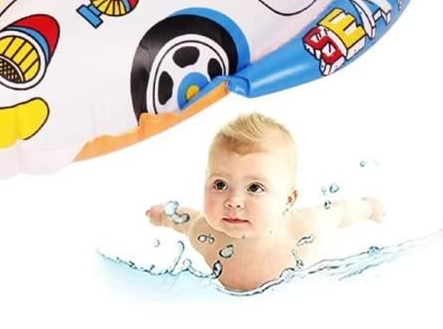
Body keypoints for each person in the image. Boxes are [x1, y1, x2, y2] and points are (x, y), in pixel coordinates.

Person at [146, 112, 385, 292]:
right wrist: (163, 215)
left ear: (287, 200)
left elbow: (338, 214)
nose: (233, 201)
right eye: (220, 185)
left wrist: (368, 208)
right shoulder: (204, 233)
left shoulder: (304, 230)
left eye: (255, 188)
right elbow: (183, 219)